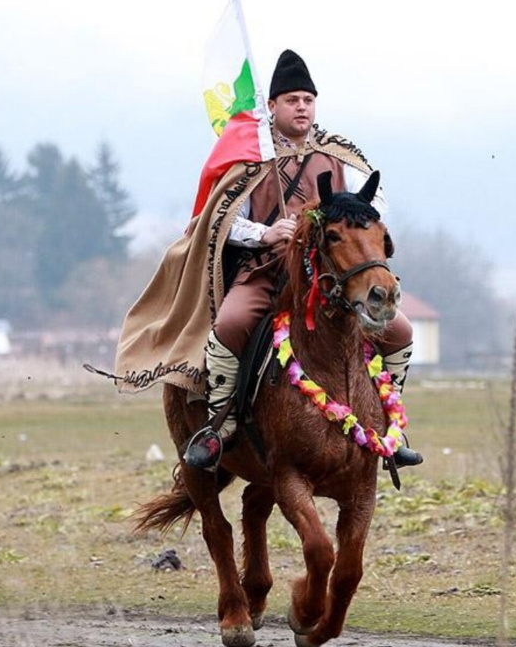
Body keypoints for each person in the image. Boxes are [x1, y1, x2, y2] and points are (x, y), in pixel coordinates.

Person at [112, 50, 422, 471]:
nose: (301, 108)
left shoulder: (336, 153)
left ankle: (391, 424)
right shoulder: (248, 155)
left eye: (308, 100)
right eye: (292, 100)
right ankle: (221, 424)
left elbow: (374, 203)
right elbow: (221, 220)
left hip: (325, 275)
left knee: (400, 329)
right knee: (231, 324)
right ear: (272, 106)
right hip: (264, 269)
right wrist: (266, 231)